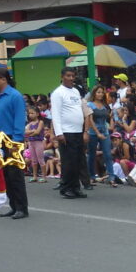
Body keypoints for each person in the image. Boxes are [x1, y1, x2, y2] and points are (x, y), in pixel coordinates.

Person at [0, 67, 29, 218]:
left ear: (3, 79)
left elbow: (19, 120)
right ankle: (13, 206)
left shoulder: (15, 96)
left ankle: (22, 208)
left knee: (15, 174)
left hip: (11, 139)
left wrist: (16, 141)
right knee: (4, 174)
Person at [51, 67, 87, 200]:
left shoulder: (76, 91)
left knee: (77, 161)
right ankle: (66, 188)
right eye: (68, 76)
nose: (71, 78)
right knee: (68, 162)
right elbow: (56, 114)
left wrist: (83, 130)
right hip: (67, 132)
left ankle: (76, 187)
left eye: (73, 76)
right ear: (62, 76)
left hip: (78, 131)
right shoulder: (58, 93)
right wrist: (59, 133)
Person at [85, 85, 114, 186]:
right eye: (98, 92)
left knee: (108, 154)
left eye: (102, 92)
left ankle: (111, 177)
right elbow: (90, 120)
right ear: (94, 93)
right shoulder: (90, 104)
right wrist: (97, 133)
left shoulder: (105, 105)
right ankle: (91, 176)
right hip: (93, 132)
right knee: (91, 155)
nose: (100, 94)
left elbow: (108, 118)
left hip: (104, 131)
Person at [24, 105, 46, 184]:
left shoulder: (40, 122)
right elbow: (25, 132)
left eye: (32, 113)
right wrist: (31, 131)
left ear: (37, 114)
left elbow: (37, 132)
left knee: (41, 160)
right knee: (33, 160)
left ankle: (44, 177)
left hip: (38, 142)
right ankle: (34, 176)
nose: (30, 115)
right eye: (29, 113)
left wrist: (29, 133)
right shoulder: (30, 123)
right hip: (31, 143)